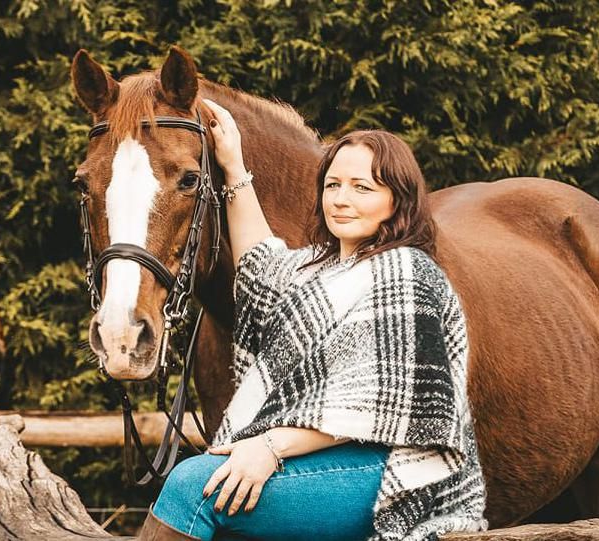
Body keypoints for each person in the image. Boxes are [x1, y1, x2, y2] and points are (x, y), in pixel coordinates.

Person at [137, 98, 487, 541]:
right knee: (207, 485)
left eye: (363, 187)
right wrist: (233, 164)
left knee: (194, 487)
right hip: (326, 461)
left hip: (393, 469)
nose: (341, 199)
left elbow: (385, 407)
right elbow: (259, 266)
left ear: (397, 199)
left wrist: (268, 446)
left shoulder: (407, 273)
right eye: (333, 185)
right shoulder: (317, 271)